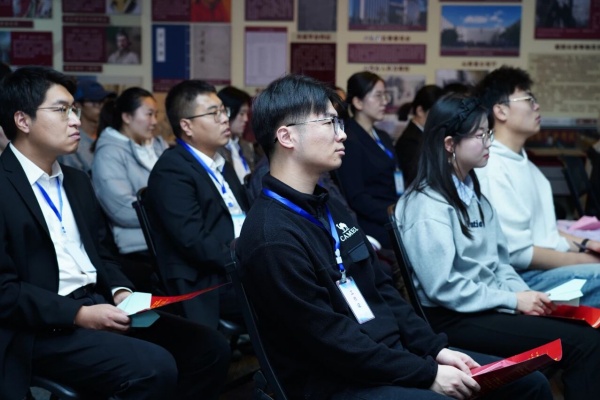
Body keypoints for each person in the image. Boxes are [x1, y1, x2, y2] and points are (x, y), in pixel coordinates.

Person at [237, 73, 551, 400]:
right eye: (330, 123)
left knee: (528, 382)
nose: (342, 134)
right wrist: (426, 373)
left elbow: (382, 288)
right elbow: (331, 341)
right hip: (337, 380)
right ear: (287, 136)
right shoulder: (271, 235)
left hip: (388, 357)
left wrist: (435, 350)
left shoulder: (327, 206)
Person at [0, 66, 230, 400]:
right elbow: (5, 291)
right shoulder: (4, 185)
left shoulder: (76, 181)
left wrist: (120, 291)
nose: (76, 121)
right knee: (154, 367)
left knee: (209, 348)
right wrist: (78, 314)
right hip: (42, 326)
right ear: (23, 120)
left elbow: (103, 254)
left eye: (75, 110)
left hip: (102, 304)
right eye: (62, 110)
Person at [396, 93, 600, 400]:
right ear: (450, 144)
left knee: (586, 330)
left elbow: (500, 263)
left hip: (485, 306)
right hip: (452, 316)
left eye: (488, 133)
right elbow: (444, 287)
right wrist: (513, 301)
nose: (489, 142)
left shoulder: (473, 194)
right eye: (479, 135)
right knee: (584, 343)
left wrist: (526, 297)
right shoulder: (427, 205)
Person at [474, 66, 600, 307]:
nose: (537, 106)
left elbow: (543, 233)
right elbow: (518, 254)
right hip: (519, 281)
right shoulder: (492, 166)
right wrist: (586, 260)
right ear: (500, 110)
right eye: (528, 99)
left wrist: (585, 244)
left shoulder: (523, 162)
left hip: (536, 270)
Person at [145, 79, 249, 328]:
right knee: (289, 294)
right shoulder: (172, 170)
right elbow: (193, 241)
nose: (224, 119)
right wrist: (246, 261)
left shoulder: (221, 163)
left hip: (238, 265)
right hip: (209, 279)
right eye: (214, 113)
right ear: (187, 126)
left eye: (223, 111)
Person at [92, 87, 168, 292]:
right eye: (149, 114)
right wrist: (171, 214)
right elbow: (122, 209)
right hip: (137, 249)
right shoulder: (109, 153)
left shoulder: (157, 146)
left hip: (163, 241)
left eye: (156, 114)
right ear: (126, 117)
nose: (154, 121)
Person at [335, 71, 402, 249]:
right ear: (358, 102)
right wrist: (394, 214)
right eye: (378, 95)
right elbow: (357, 197)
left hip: (395, 211)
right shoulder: (349, 139)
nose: (385, 101)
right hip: (373, 222)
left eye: (385, 95)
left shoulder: (383, 136)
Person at [58, 80, 115, 175]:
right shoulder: (72, 140)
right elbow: (73, 178)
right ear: (78, 105)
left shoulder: (108, 136)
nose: (101, 107)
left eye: (103, 102)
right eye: (95, 102)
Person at [395, 84, 443, 188]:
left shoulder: (425, 135)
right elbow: (418, 178)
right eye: (436, 113)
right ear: (420, 111)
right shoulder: (409, 142)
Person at [217, 86, 256, 184]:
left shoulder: (246, 145)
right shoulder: (215, 149)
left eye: (247, 114)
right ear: (227, 112)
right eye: (242, 114)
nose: (246, 119)